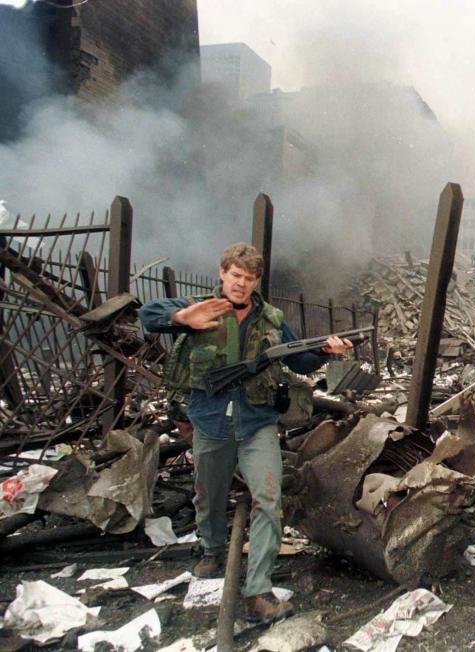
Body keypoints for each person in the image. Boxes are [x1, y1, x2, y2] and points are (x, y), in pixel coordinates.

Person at [138, 243, 352, 623]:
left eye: (249, 279)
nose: (241, 284)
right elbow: (147, 314)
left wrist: (325, 350)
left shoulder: (270, 319)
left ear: (256, 282)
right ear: (222, 274)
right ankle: (212, 549)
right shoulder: (201, 307)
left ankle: (259, 590)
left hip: (257, 424)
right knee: (208, 494)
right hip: (211, 422)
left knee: (269, 499)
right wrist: (183, 317)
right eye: (235, 275)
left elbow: (298, 358)